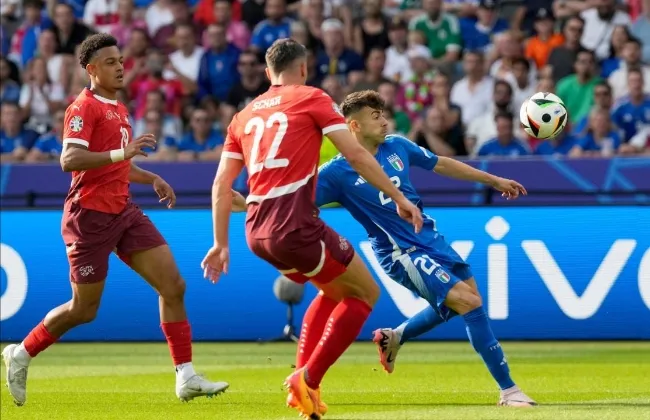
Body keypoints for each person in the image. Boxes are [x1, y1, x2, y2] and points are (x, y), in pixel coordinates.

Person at [232, 90, 536, 407]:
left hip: (431, 239)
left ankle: (396, 337)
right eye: (375, 116)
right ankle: (509, 391)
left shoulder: (397, 146)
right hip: (399, 252)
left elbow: (441, 164)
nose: (384, 120)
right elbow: (293, 201)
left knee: (463, 302)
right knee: (468, 302)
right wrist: (247, 203)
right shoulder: (336, 173)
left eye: (383, 114)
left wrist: (494, 180)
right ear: (353, 126)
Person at [1, 34, 228, 407]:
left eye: (121, 60)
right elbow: (70, 160)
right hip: (88, 217)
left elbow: (116, 164)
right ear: (91, 70)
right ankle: (22, 352)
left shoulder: (119, 109)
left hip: (123, 211)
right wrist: (122, 153)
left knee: (173, 286)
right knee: (84, 310)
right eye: (110, 62)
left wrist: (151, 177)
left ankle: (186, 376)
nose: (120, 67)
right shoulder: (83, 107)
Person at [201, 39, 423, 420]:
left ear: (267, 72)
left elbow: (221, 184)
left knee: (332, 290)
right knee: (364, 293)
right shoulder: (312, 97)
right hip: (295, 225)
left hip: (255, 233)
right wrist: (398, 197)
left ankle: (307, 390)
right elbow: (356, 155)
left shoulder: (243, 116)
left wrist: (220, 243)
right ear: (304, 68)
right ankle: (307, 378)